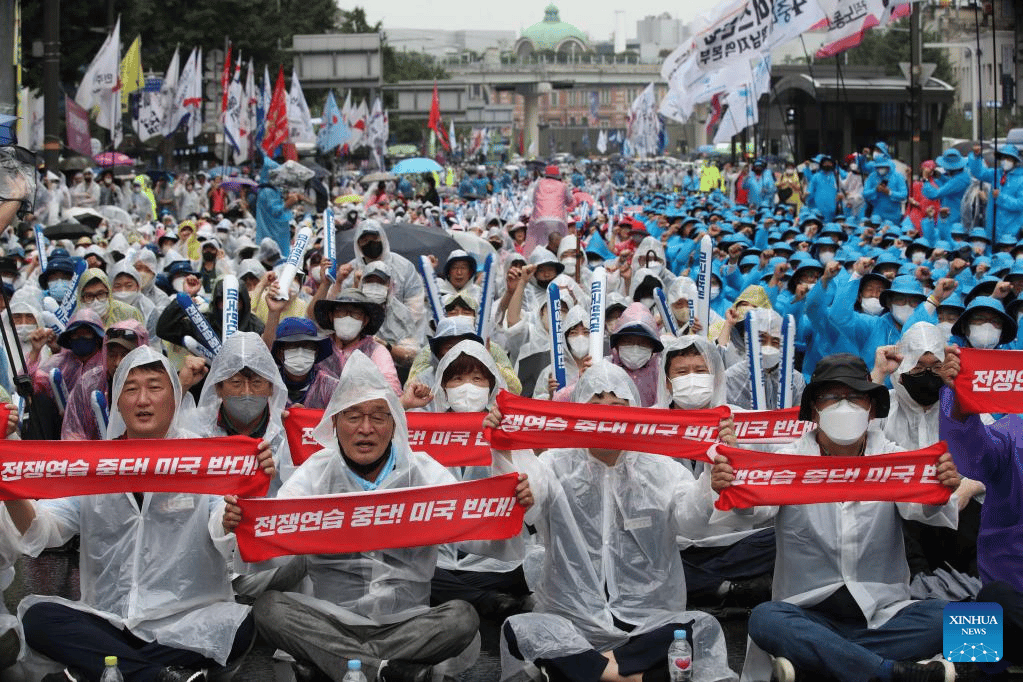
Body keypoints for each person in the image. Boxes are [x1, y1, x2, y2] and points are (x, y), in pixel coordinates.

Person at [220, 351, 531, 681]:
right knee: (270, 608)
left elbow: (483, 536)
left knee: (461, 617)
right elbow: (270, 547)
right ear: (335, 424)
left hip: (407, 621)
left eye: (378, 417)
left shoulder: (423, 471)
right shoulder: (314, 474)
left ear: (395, 423)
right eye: (353, 417)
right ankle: (388, 670)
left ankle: (339, 664)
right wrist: (241, 523)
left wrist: (510, 504)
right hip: (330, 619)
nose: (365, 429)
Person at [3, 346, 274, 682]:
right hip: (110, 620)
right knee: (40, 617)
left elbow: (221, 520)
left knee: (238, 626)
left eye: (155, 387)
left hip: (186, 619)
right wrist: (9, 488)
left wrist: (237, 509)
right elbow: (42, 532)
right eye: (130, 389)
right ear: (117, 401)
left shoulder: (204, 459)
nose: (143, 399)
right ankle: (158, 676)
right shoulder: (96, 465)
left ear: (174, 397)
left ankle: (109, 667)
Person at [712, 353, 963, 682]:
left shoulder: (894, 459)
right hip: (808, 611)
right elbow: (752, 512)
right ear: (814, 408)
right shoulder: (787, 462)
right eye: (831, 397)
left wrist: (940, 489)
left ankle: (826, 661)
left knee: (973, 624)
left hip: (883, 614)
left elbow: (925, 510)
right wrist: (732, 485)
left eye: (855, 397)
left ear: (871, 407)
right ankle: (889, 672)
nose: (844, 406)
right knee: (765, 618)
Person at [496, 360, 738, 682]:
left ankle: (587, 671)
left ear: (634, 410)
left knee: (696, 629)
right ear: (578, 413)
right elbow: (531, 494)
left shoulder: (659, 468)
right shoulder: (556, 464)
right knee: (521, 629)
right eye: (595, 406)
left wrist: (711, 478)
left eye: (617, 406)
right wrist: (508, 448)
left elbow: (692, 521)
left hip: (646, 626)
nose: (606, 415)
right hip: (573, 624)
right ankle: (631, 677)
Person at [937, 344, 1023, 674]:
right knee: (973, 619)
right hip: (1011, 595)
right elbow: (974, 458)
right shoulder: (1012, 433)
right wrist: (959, 400)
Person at [525, 165, 575, 254]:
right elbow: (570, 201)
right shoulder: (563, 186)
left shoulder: (539, 184)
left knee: (541, 246)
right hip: (558, 220)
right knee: (560, 246)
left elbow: (534, 200)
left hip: (540, 219)